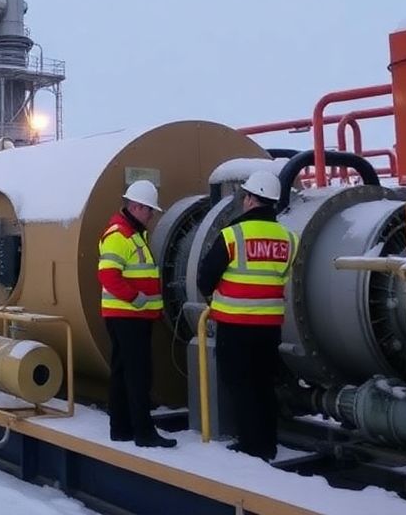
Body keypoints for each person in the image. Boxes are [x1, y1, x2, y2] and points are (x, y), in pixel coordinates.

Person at [196, 169, 298, 462]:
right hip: (269, 327)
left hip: (235, 324)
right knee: (264, 383)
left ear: (252, 200)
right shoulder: (289, 239)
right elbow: (283, 275)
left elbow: (205, 279)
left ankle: (251, 445)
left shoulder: (232, 235)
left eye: (246, 196)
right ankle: (268, 443)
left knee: (241, 384)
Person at [98, 179, 176, 448]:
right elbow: (108, 275)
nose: (152, 215)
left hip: (130, 316)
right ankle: (143, 432)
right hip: (128, 315)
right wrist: (136, 298)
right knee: (138, 374)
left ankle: (120, 428)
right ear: (135, 206)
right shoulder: (120, 235)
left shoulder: (132, 234)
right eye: (149, 210)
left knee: (123, 371)